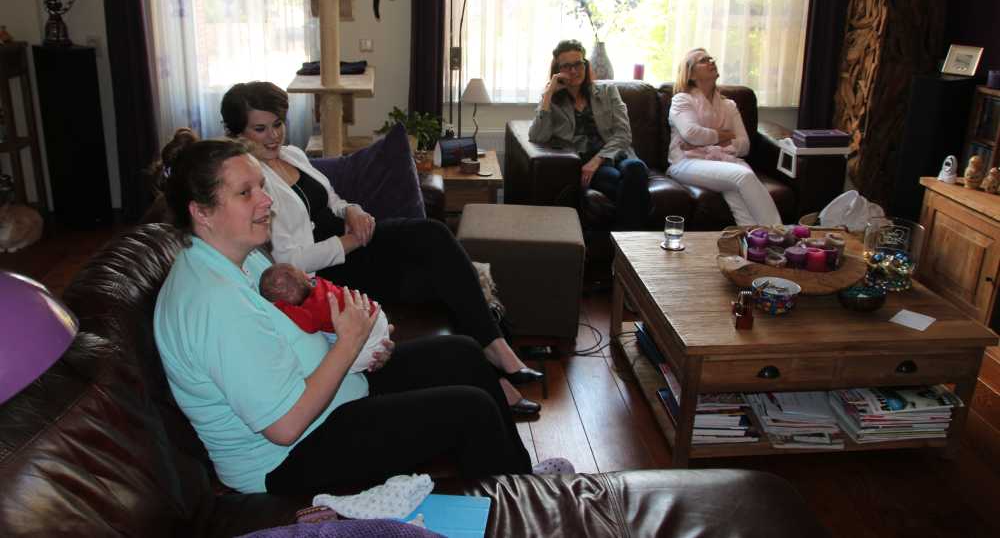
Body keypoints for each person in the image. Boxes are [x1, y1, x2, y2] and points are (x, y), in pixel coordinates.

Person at [152, 136, 553, 495]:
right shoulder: (212, 302)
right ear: (202, 212)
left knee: (462, 353)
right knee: (470, 411)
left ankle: (523, 483)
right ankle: (519, 511)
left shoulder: (244, 257)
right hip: (285, 457)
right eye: (245, 192)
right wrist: (348, 344)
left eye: (261, 185)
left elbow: (299, 323)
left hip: (329, 394)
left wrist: (360, 344)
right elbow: (284, 427)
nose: (266, 200)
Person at [219, 82, 542, 416]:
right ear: (238, 134)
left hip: (355, 242)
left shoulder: (293, 155)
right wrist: (348, 242)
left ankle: (497, 348)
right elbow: (291, 260)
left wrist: (352, 210)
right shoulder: (255, 188)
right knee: (437, 281)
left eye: (277, 124)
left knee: (434, 236)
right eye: (260, 129)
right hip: (331, 269)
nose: (274, 136)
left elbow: (332, 198)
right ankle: (498, 378)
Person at [528, 39, 650, 229]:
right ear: (558, 71)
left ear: (585, 64)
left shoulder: (608, 91)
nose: (574, 71)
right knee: (625, 183)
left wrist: (597, 160)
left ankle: (620, 240)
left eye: (578, 64)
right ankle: (628, 240)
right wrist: (548, 94)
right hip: (585, 162)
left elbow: (624, 134)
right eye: (566, 66)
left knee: (636, 168)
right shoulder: (554, 102)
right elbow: (537, 136)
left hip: (615, 155)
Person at [667, 48, 782, 227]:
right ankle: (779, 232)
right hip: (686, 163)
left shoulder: (729, 105)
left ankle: (751, 239)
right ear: (691, 74)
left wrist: (705, 140)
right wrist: (726, 136)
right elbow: (692, 134)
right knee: (743, 176)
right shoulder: (682, 100)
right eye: (703, 60)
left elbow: (744, 146)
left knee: (737, 197)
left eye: (710, 58)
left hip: (725, 162)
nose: (711, 62)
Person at [260, 262, 391, 374]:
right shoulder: (318, 282)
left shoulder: (315, 310)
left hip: (368, 328)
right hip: (374, 311)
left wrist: (280, 306)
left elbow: (310, 327)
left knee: (342, 365)